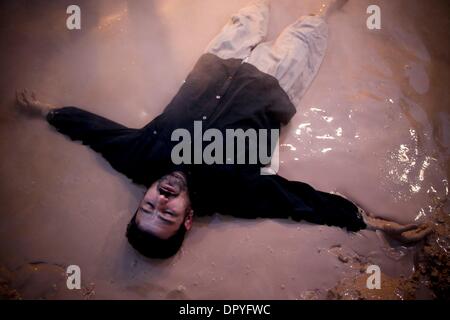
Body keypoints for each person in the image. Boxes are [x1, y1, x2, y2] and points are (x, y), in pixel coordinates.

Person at [15, 0, 431, 259]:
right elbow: (300, 204)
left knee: (253, 9)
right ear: (188, 219)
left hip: (217, 62)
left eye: (147, 207)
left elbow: (96, 132)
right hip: (276, 83)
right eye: (167, 215)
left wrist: (44, 111)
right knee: (314, 23)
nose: (160, 201)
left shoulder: (136, 159)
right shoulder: (237, 194)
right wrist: (373, 223)